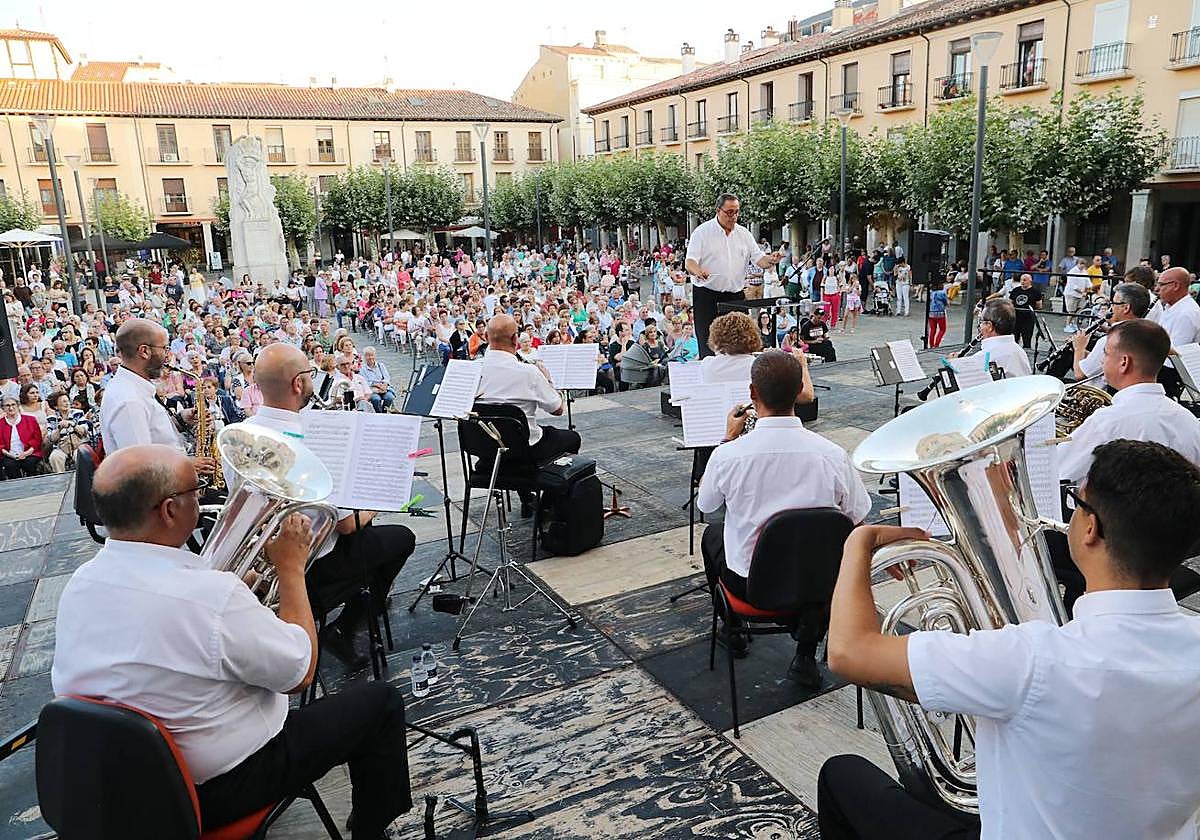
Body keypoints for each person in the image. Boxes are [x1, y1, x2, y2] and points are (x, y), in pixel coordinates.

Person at [818, 439, 1200, 840]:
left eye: (1076, 503)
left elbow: (848, 652)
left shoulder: (1031, 661)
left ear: (1091, 527)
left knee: (841, 774)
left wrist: (856, 546)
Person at [51, 445, 412, 839]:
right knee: (382, 704)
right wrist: (290, 570)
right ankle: (370, 829)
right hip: (213, 790)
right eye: (197, 491)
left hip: (115, 783)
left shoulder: (81, 582)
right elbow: (301, 672)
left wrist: (232, 603)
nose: (205, 499)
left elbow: (170, 631)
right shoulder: (210, 597)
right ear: (170, 510)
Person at [697, 350, 870, 688]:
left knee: (712, 536)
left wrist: (727, 437)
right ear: (798, 394)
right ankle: (805, 654)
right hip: (818, 586)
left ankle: (731, 628)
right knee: (820, 549)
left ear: (752, 394)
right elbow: (858, 518)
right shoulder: (832, 454)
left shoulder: (729, 455)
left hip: (751, 586)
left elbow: (706, 503)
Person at [242, 343, 416, 668]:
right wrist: (382, 498)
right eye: (309, 374)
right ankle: (344, 624)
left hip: (266, 556)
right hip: (311, 564)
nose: (312, 380)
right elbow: (347, 525)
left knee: (372, 543)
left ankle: (361, 602)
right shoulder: (310, 440)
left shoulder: (241, 434)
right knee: (401, 539)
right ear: (297, 384)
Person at [1058, 319, 1200, 486]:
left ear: (1124, 362)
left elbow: (1058, 468)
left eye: (1106, 354)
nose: (1102, 361)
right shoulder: (1188, 420)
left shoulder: (1108, 421)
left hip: (1115, 511)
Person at [476, 314, 580, 517]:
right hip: (526, 452)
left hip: (485, 450)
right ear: (515, 339)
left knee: (514, 438)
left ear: (487, 337)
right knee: (571, 439)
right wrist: (547, 380)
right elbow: (558, 409)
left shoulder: (471, 370)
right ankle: (547, 503)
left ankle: (527, 499)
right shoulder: (528, 372)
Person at [99, 318, 216, 478]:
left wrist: (181, 420)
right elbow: (142, 468)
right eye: (164, 348)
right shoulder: (129, 401)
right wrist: (187, 464)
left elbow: (152, 433)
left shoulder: (133, 387)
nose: (168, 356)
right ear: (144, 351)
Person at [684, 194, 782, 359]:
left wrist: (771, 259)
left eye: (736, 212)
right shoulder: (702, 232)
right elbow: (690, 261)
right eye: (729, 212)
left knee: (739, 346)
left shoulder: (744, 234)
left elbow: (760, 259)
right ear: (718, 210)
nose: (733, 217)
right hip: (707, 295)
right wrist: (698, 271)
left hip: (735, 296)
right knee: (708, 347)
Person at [1071, 281, 1150, 389]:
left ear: (1126, 308)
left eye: (1113, 303)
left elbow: (1079, 374)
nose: (1110, 308)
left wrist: (1078, 348)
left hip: (1095, 394)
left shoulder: (1110, 340)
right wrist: (1084, 351)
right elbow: (1104, 363)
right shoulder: (1144, 333)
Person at [1148, 266, 1200, 399]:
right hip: (1161, 367)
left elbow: (1175, 356)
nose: (1157, 289)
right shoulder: (1172, 306)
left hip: (1169, 374)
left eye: (1161, 284)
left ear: (1176, 286)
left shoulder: (1186, 313)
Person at [0, 394, 43, 478]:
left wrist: (26, 453)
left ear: (18, 406)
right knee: (10, 466)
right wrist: (10, 455)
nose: (11, 408)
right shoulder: (0, 423)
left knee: (30, 463)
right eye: (7, 405)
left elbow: (37, 440)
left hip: (30, 453)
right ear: (3, 408)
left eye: (13, 405)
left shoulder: (31, 420)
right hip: (9, 455)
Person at [1005, 273, 1043, 349]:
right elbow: (1010, 302)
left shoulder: (1036, 292)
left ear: (1030, 280)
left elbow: (1039, 306)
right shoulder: (1016, 290)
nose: (1022, 282)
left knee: (1027, 339)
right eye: (1021, 280)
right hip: (1016, 317)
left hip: (1028, 319)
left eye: (1025, 280)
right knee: (1014, 338)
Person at [360, 346, 395, 413]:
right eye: (368, 356)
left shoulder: (381, 365)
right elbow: (365, 381)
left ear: (375, 356)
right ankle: (379, 413)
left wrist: (384, 385)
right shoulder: (363, 369)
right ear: (364, 357)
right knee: (376, 399)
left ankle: (384, 412)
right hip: (371, 389)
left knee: (389, 397)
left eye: (372, 355)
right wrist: (376, 385)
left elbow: (387, 377)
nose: (370, 357)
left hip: (384, 388)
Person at [927, 279, 949, 348]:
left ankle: (931, 345)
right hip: (940, 313)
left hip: (931, 313)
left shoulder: (930, 292)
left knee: (932, 330)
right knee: (942, 329)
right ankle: (936, 344)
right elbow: (946, 302)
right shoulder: (942, 293)